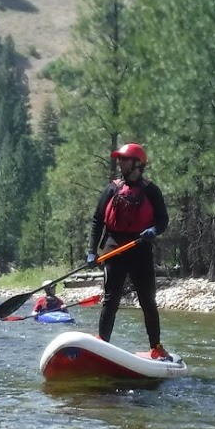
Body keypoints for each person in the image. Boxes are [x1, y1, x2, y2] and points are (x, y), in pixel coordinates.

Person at [88, 142, 170, 358]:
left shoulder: (151, 190)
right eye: (120, 159)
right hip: (114, 247)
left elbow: (163, 220)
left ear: (136, 164)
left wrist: (153, 230)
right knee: (110, 298)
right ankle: (102, 342)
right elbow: (98, 221)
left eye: (124, 159)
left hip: (140, 248)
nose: (119, 162)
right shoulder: (112, 188)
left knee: (147, 300)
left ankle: (156, 346)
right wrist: (91, 251)